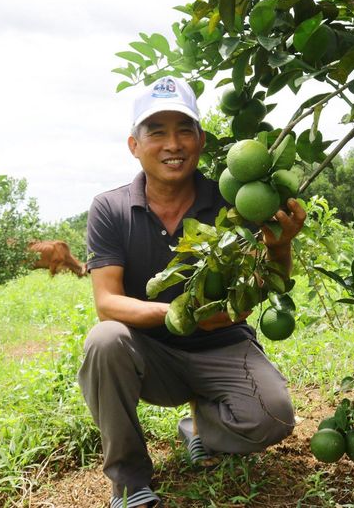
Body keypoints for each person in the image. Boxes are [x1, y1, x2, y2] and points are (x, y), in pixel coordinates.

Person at [79, 76, 306, 508]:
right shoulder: (109, 208)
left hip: (222, 344)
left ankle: (199, 427)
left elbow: (261, 286)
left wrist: (281, 245)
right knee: (104, 339)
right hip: (151, 354)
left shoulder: (233, 202)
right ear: (134, 144)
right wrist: (180, 315)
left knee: (274, 418)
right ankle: (129, 481)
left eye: (184, 130)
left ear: (201, 141)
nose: (173, 144)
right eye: (157, 132)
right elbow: (107, 303)